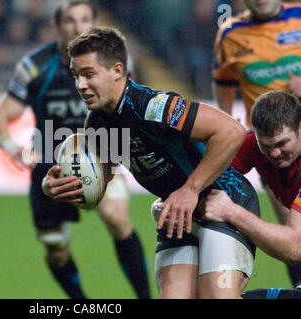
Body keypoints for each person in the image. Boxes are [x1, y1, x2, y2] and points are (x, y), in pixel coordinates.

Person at [43, 26, 261, 299]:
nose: (80, 85)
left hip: (224, 203)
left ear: (117, 71)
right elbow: (101, 177)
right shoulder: (98, 121)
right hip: (178, 216)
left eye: (88, 74)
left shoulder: (152, 106)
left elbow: (231, 130)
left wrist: (190, 189)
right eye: (76, 76)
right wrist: (57, 184)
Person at [0, 1, 150, 299]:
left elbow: (131, 109)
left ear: (96, 22)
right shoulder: (34, 66)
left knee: (117, 217)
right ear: (57, 25)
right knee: (56, 250)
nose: (78, 27)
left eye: (85, 19)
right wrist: (13, 148)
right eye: (69, 21)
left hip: (102, 157)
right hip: (52, 168)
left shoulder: (117, 63)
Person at [212, 0, 301, 288]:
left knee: (294, 240)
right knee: (289, 241)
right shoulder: (230, 34)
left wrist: (231, 212)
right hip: (271, 155)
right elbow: (223, 87)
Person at [203, 90, 301, 298]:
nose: (275, 153)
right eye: (266, 145)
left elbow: (294, 248)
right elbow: (205, 173)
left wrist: (231, 212)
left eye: (282, 143)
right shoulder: (252, 146)